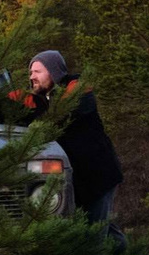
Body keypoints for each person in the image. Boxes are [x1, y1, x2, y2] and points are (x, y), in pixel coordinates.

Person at [22, 49, 126, 222]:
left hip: (97, 176)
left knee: (94, 233)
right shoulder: (41, 97)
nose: (32, 76)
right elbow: (5, 104)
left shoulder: (78, 90)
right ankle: (120, 248)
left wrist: (36, 127)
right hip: (77, 178)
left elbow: (63, 113)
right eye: (31, 72)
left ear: (54, 72)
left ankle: (113, 248)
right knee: (95, 230)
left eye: (37, 71)